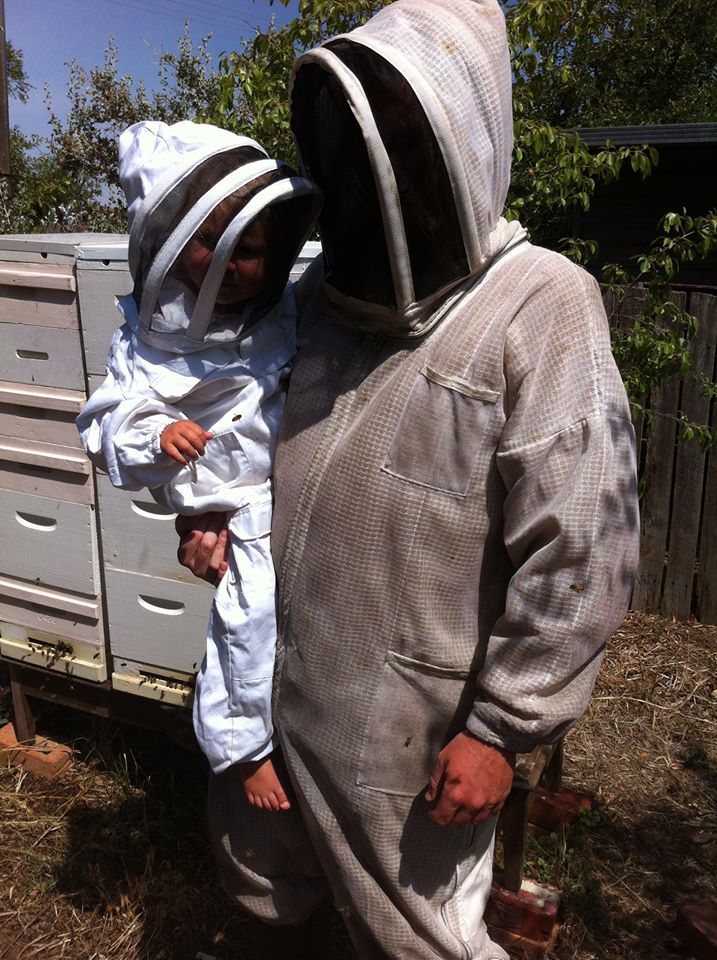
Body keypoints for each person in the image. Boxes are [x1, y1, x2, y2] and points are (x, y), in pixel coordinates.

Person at [177, 1, 640, 957]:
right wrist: (212, 511)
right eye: (348, 154)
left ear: (456, 152)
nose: (361, 184)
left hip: (414, 735)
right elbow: (243, 434)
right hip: (278, 699)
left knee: (415, 937)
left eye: (389, 150)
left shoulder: (539, 305)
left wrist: (501, 729)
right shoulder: (314, 297)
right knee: (275, 909)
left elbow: (583, 544)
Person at [77, 120, 321, 811]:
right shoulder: (149, 338)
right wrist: (157, 434)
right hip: (235, 506)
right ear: (175, 245)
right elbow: (107, 419)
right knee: (246, 621)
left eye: (251, 252)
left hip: (292, 493)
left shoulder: (279, 313)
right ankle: (237, 746)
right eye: (213, 245)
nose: (232, 266)